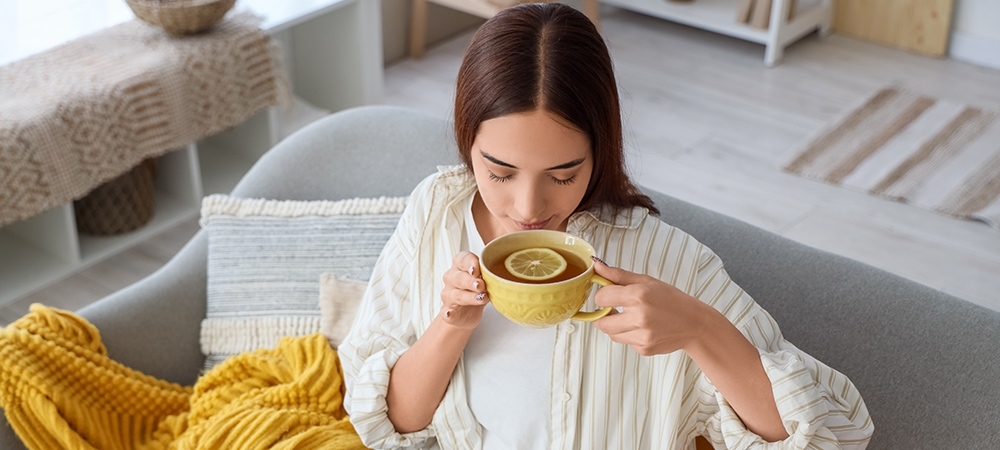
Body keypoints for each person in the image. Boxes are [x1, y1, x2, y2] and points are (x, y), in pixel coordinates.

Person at [339, 3, 873, 449]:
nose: (528, 206)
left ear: (601, 152)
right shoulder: (437, 211)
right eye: (498, 172)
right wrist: (451, 323)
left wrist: (699, 329)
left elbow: (830, 436)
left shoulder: (663, 259)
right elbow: (392, 425)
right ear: (466, 145)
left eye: (563, 175)